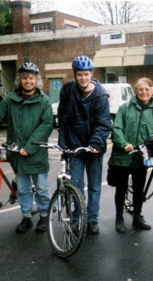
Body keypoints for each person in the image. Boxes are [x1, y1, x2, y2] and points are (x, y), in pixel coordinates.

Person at [0, 62, 54, 233]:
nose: (28, 81)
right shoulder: (10, 100)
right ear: (20, 80)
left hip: (36, 152)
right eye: (24, 78)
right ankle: (26, 217)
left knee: (41, 188)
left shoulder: (44, 101)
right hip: (16, 153)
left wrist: (30, 147)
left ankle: (44, 215)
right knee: (23, 189)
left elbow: (46, 125)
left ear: (36, 80)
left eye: (31, 78)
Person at [108, 77, 153, 233]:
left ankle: (137, 217)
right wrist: (124, 144)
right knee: (121, 188)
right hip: (123, 155)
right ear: (135, 91)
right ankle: (119, 218)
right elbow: (117, 129)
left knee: (138, 188)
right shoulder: (125, 108)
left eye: (147, 89)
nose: (143, 92)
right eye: (140, 89)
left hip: (143, 156)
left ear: (152, 91)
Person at [57, 56, 111, 234]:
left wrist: (96, 143)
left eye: (86, 74)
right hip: (75, 148)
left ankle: (92, 220)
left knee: (94, 187)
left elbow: (103, 124)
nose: (83, 78)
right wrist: (63, 143)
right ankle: (76, 218)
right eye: (79, 74)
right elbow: (63, 118)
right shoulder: (67, 90)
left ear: (91, 74)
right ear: (75, 74)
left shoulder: (100, 95)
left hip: (94, 149)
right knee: (77, 186)